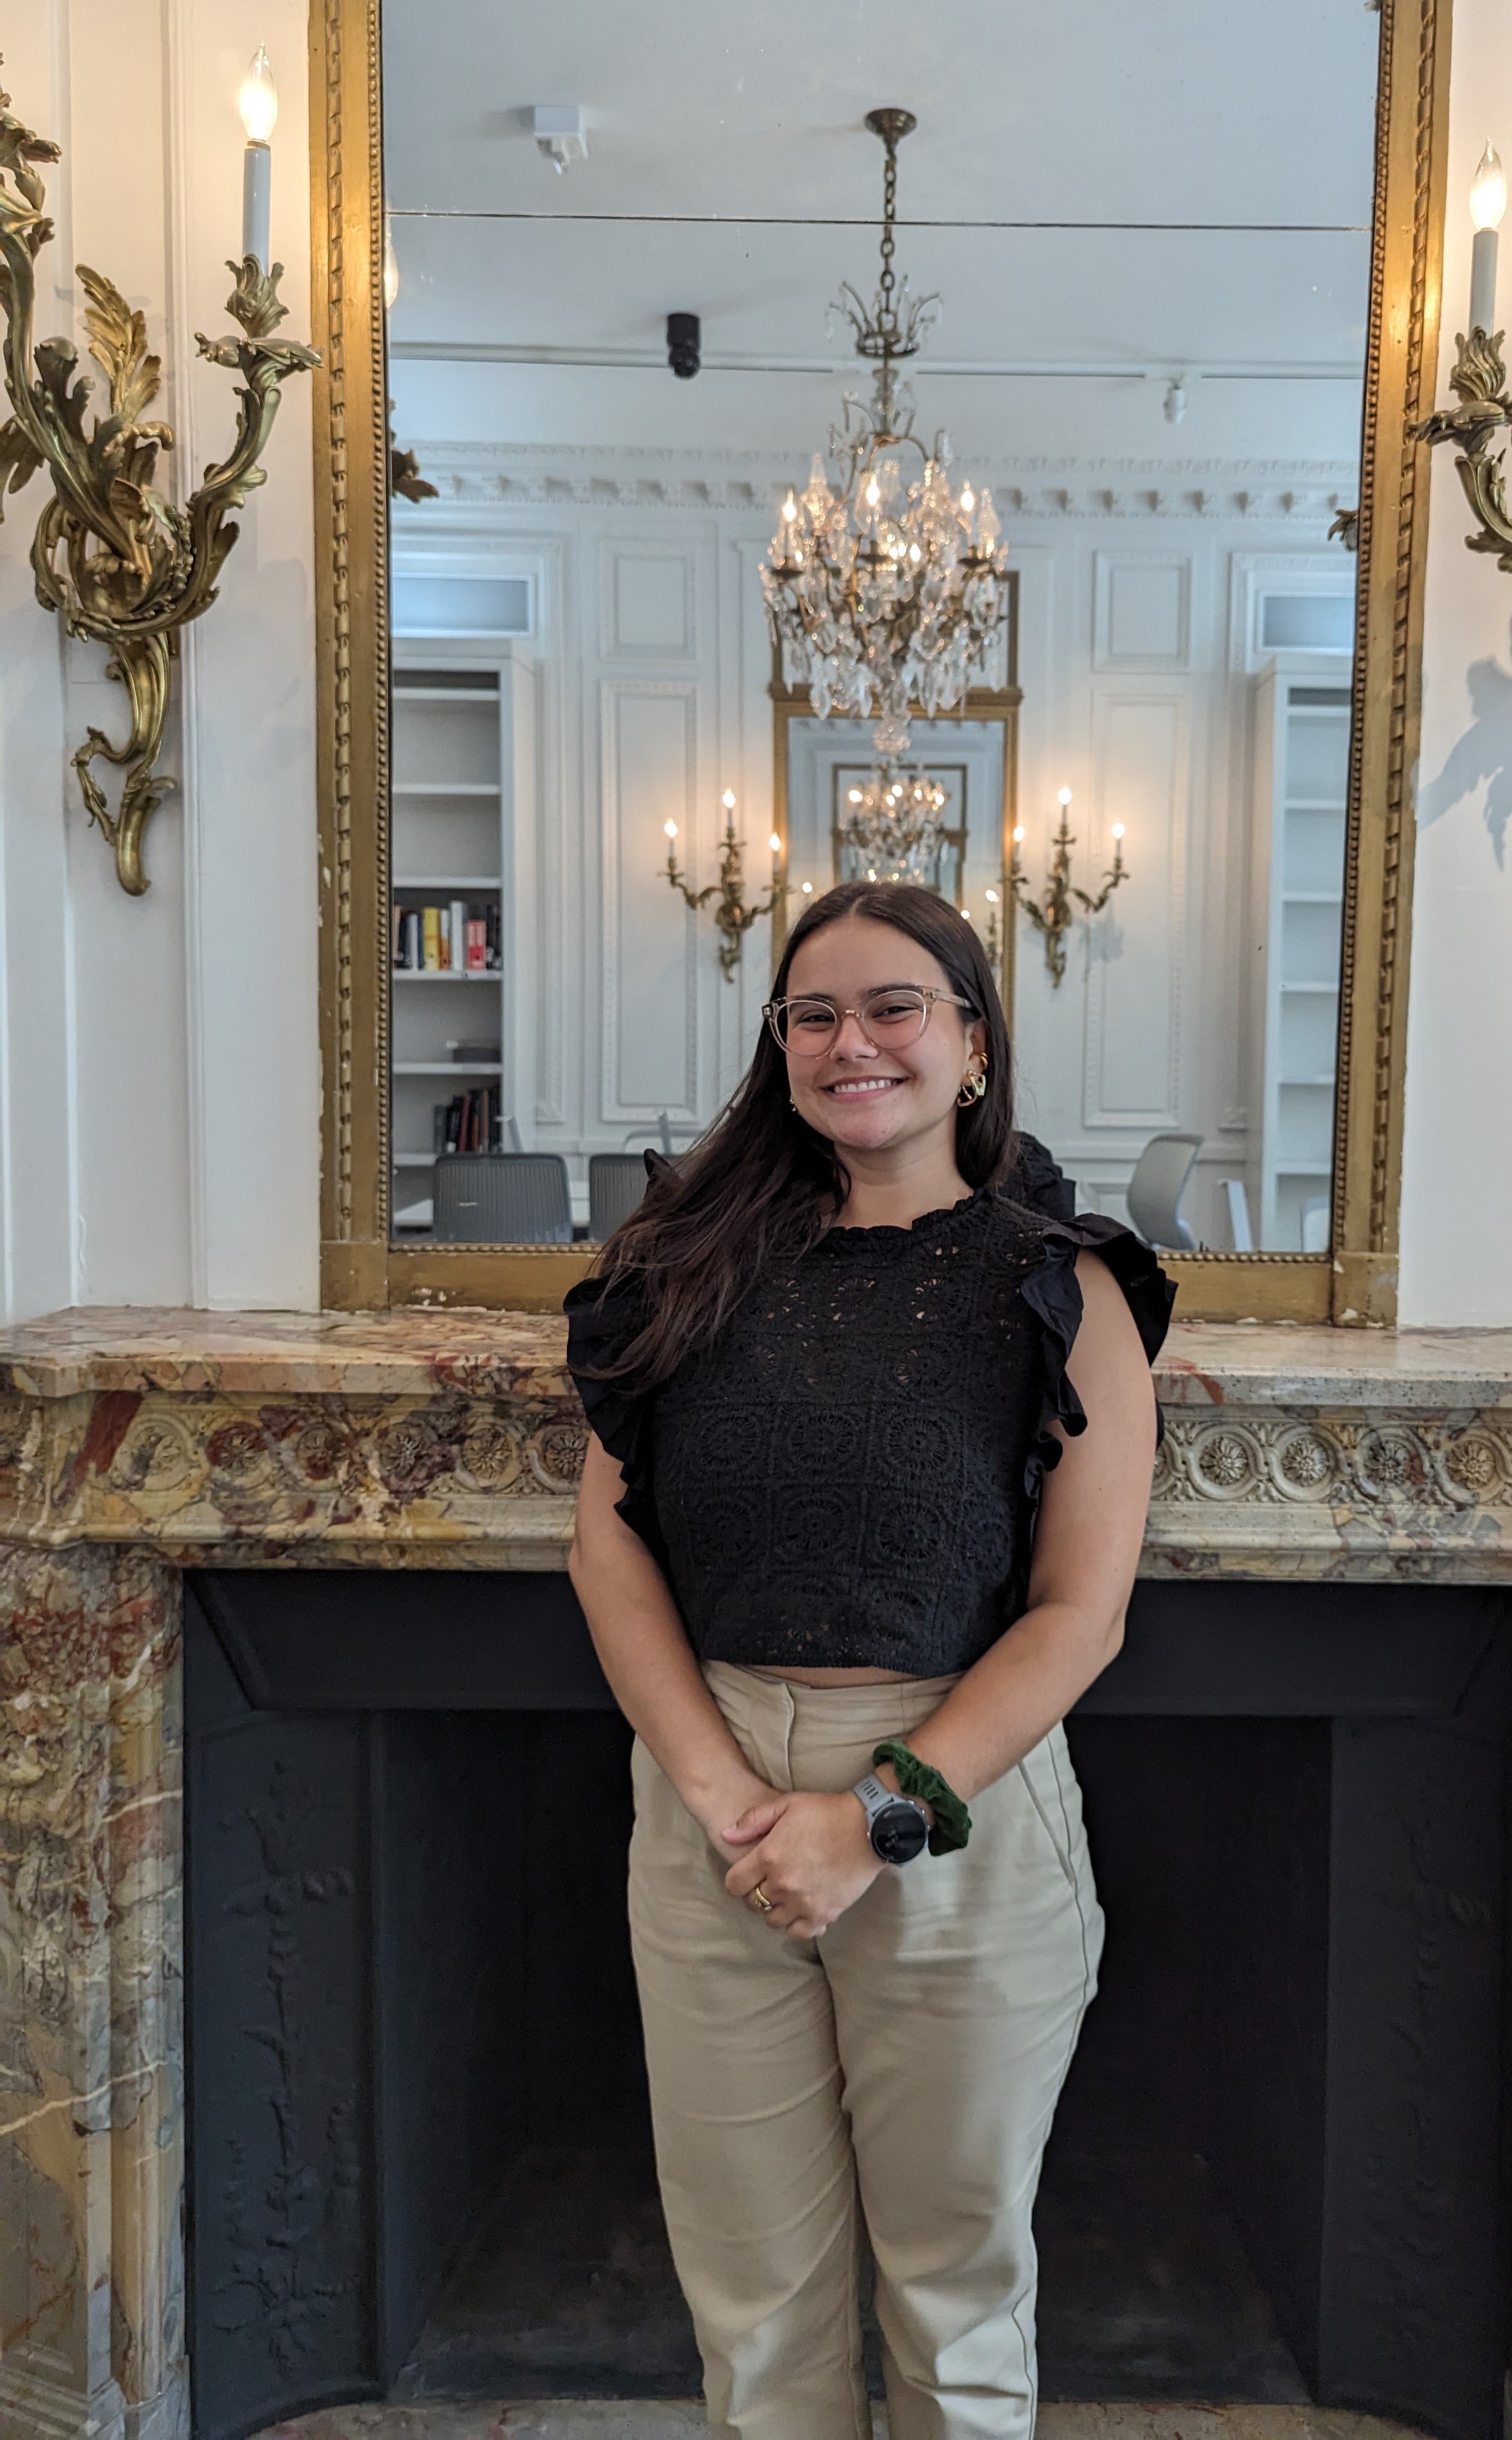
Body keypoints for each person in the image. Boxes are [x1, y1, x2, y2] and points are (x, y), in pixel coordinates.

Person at [565, 876, 1170, 2440]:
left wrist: (875, 1817)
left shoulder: (1063, 1283)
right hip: (711, 1807)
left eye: (894, 1006)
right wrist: (720, 1793)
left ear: (972, 1042)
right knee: (752, 2303)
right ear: (778, 1049)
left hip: (954, 1804)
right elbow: (610, 1544)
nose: (853, 1042)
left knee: (957, 2294)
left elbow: (1077, 1616)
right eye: (813, 1014)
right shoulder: (679, 1265)